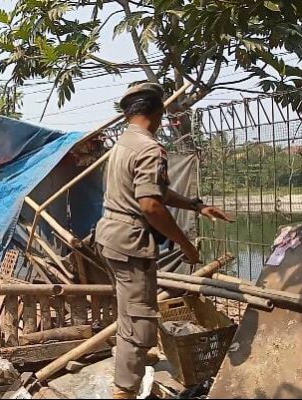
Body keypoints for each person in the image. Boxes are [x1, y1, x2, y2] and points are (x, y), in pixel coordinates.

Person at [95, 83, 233, 399]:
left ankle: (132, 360)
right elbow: (151, 205)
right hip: (131, 243)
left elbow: (155, 191)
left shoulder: (123, 145)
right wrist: (186, 245)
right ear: (157, 112)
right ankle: (124, 390)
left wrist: (196, 205)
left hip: (111, 237)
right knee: (140, 321)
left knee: (129, 310)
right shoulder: (148, 148)